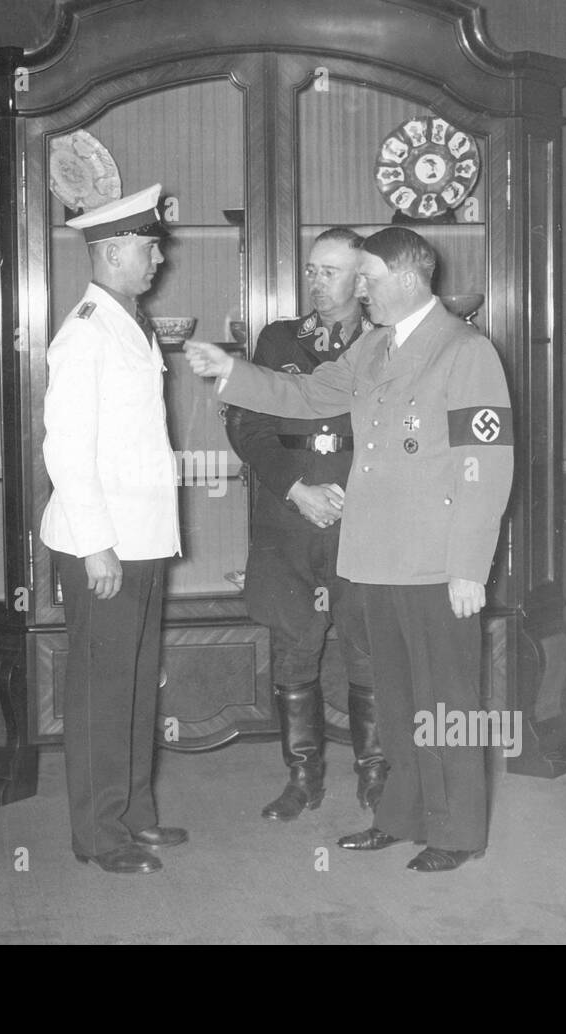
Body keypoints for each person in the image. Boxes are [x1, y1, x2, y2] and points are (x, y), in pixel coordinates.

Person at [188, 226, 513, 872]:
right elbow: (307, 395)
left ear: (405, 277)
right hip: (373, 556)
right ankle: (401, 815)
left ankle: (457, 831)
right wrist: (234, 374)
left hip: (435, 559)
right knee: (395, 697)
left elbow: (486, 465)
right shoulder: (373, 349)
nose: (356, 290)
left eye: (365, 278)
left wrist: (469, 566)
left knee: (445, 699)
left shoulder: (465, 350)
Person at [39, 183, 187, 875]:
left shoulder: (130, 321)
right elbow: (65, 450)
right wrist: (97, 543)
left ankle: (133, 813)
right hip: (104, 543)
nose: (158, 257)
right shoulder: (86, 332)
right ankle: (99, 834)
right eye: (148, 246)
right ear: (113, 250)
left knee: (132, 681)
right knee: (103, 688)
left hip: (141, 537)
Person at [225, 227, 388, 821]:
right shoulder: (278, 340)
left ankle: (376, 778)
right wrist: (298, 488)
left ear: (362, 278)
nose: (317, 282)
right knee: (295, 646)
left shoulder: (387, 342)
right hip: (290, 519)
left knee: (367, 648)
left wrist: (363, 498)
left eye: (332, 271)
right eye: (312, 270)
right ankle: (303, 778)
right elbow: (247, 425)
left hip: (361, 522)